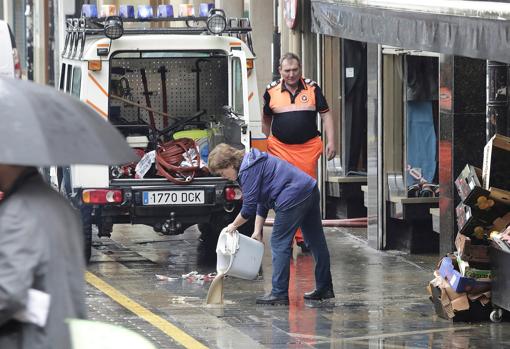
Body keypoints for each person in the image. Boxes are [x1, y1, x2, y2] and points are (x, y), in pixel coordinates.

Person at [208, 144, 334, 305]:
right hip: (309, 189)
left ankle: (279, 293)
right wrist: (257, 230)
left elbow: (248, 209)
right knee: (316, 242)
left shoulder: (247, 171)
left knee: (279, 243)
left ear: (229, 164)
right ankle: (325, 287)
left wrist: (233, 225)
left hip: (292, 196)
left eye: (222, 172)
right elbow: (262, 199)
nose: (224, 177)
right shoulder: (253, 161)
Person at [0, 164, 86, 348]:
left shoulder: (18, 210)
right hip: (61, 337)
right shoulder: (58, 203)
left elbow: (7, 295)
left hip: (29, 340)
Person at [262, 52, 336, 252]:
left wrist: (331, 141)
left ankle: (304, 238)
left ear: (300, 69)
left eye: (295, 70)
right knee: (283, 192)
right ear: (280, 71)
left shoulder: (313, 88)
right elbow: (266, 120)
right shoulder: (270, 91)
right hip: (280, 149)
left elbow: (326, 115)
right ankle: (287, 234)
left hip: (307, 150)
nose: (291, 74)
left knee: (305, 193)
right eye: (287, 71)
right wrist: (264, 145)